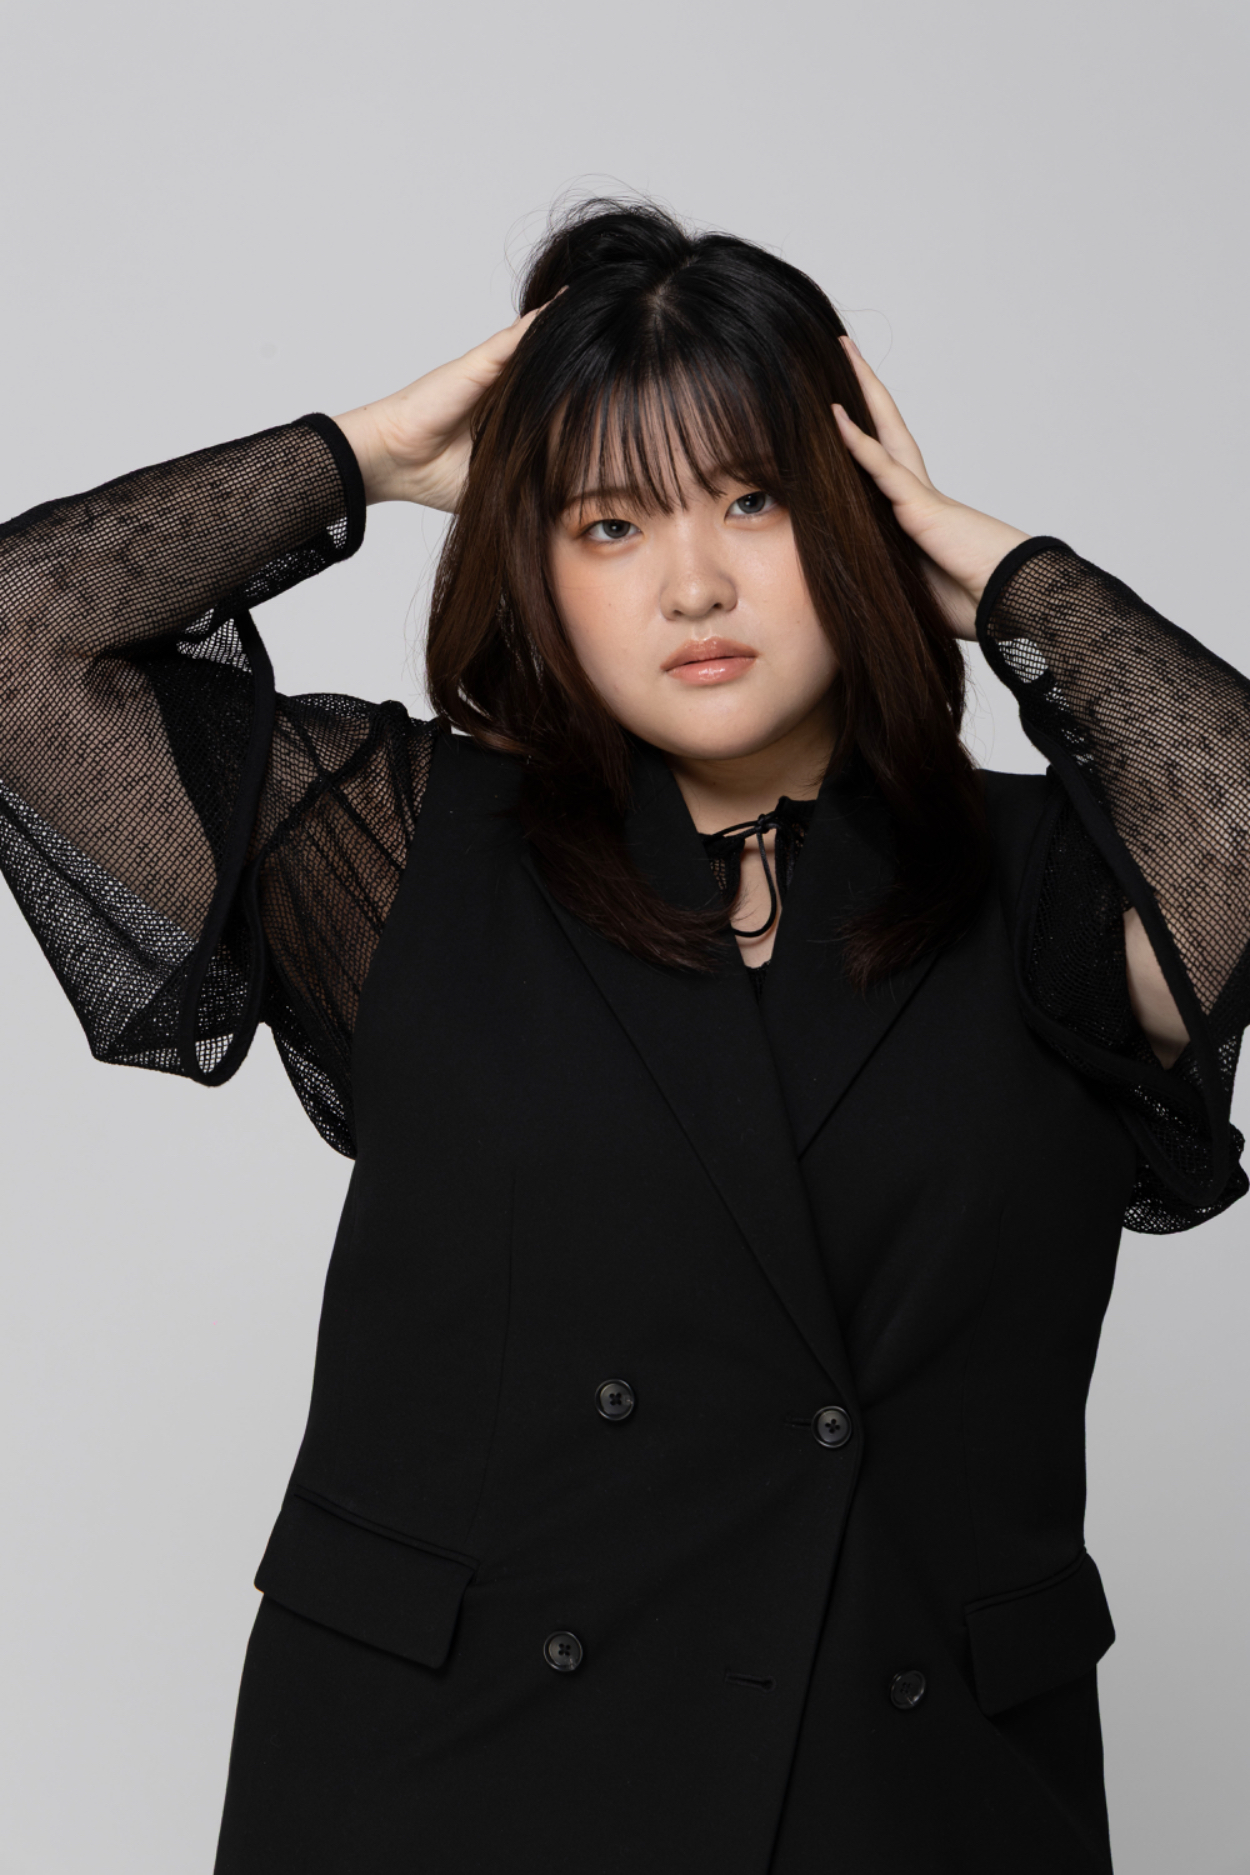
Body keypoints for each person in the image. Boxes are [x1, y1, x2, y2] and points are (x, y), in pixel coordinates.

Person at [1, 198, 1245, 1874]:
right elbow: (18, 646)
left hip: (900, 1798)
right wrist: (366, 457)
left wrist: (1013, 581)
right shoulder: (399, 856)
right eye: (607, 523)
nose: (694, 582)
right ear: (536, 570)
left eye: (755, 499)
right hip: (447, 1789)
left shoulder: (1051, 900)